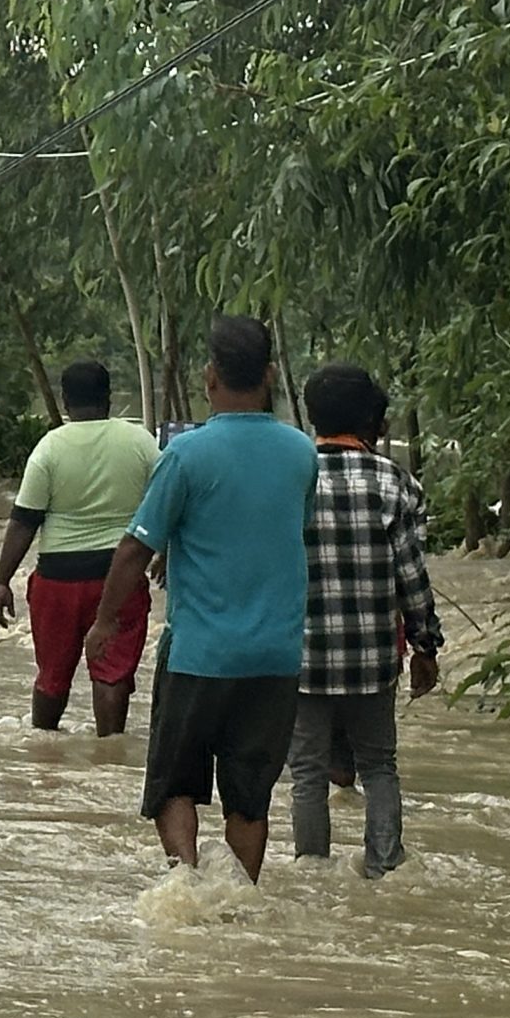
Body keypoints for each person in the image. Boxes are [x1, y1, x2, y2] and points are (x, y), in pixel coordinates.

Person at [83, 314, 317, 882]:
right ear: (269, 376)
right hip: (275, 659)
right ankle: (237, 902)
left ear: (209, 378)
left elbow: (136, 548)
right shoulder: (302, 453)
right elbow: (278, 530)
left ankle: (185, 884)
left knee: (174, 784)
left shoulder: (186, 456)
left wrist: (105, 621)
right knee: (250, 799)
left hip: (200, 657)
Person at [284, 364, 444, 876]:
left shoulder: (292, 480)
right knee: (379, 766)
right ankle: (384, 867)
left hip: (301, 658)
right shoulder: (395, 484)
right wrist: (426, 646)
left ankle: (313, 873)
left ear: (312, 417)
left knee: (306, 772)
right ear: (373, 421)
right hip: (374, 661)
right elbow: (411, 578)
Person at [0, 358, 161, 735]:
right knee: (111, 675)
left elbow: (24, 520)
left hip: (57, 581)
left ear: (65, 400)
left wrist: (2, 580)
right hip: (119, 577)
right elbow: (167, 502)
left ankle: (44, 753)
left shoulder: (49, 448)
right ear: (109, 398)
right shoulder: (140, 442)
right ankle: (109, 756)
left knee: (52, 676)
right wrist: (166, 550)